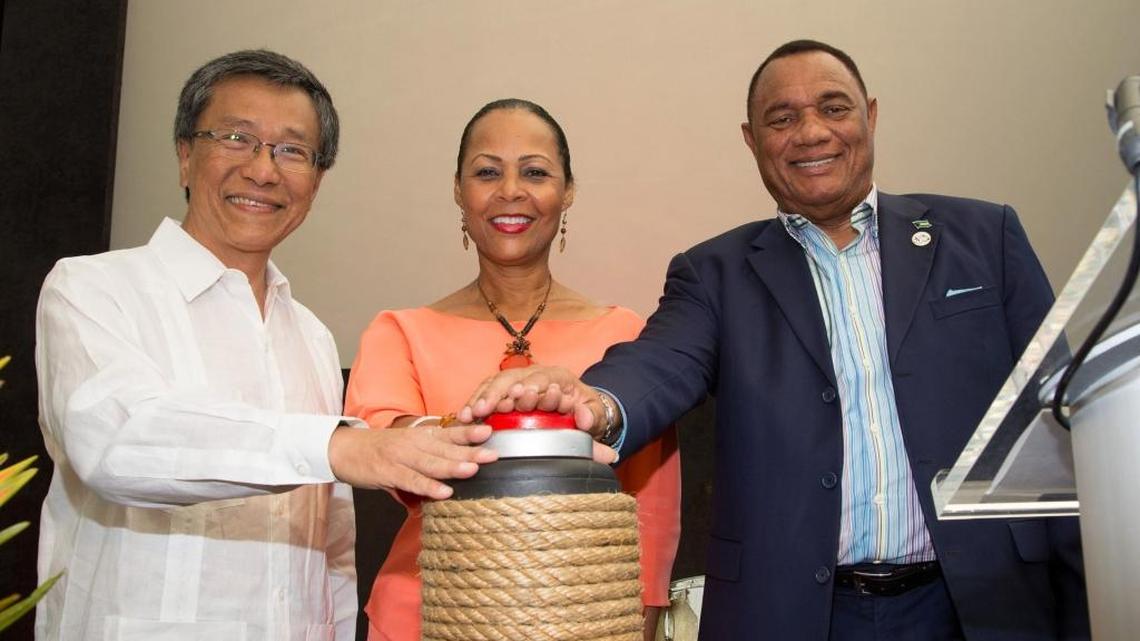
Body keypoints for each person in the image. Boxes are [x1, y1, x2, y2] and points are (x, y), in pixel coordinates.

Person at [462, 40, 1090, 640]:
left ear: (870, 116)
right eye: (781, 118)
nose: (811, 132)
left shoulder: (985, 238)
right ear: (752, 141)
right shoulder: (716, 273)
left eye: (834, 108)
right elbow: (660, 361)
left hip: (982, 606)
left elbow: (1059, 422)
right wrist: (593, 401)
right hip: (792, 612)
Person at [34, 49, 495, 641]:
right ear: (184, 154)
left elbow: (329, 545)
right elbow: (115, 438)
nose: (263, 170)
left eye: (292, 151)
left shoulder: (312, 335)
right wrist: (337, 446)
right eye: (236, 138)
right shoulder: (92, 288)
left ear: (316, 180)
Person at [345, 98, 681, 641]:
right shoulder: (398, 332)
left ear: (567, 190)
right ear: (459, 189)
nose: (510, 191)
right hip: (425, 616)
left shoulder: (625, 334)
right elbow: (385, 450)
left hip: (588, 621)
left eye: (535, 172)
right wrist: (476, 426)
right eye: (486, 172)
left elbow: (652, 503)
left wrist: (638, 618)